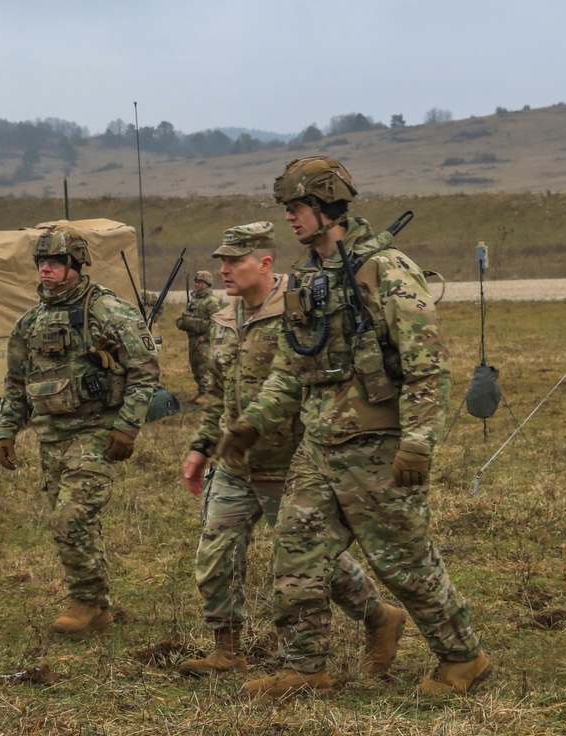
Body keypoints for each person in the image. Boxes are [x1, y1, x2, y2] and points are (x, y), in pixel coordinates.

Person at [218, 156, 490, 699]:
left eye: (296, 208)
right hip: (319, 446)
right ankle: (305, 667)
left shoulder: (385, 269)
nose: (289, 218)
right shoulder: (310, 277)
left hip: (378, 448)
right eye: (288, 209)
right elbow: (292, 367)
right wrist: (253, 423)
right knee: (294, 552)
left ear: (325, 207)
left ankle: (463, 659)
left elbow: (427, 363)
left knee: (405, 563)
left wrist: (416, 443)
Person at [179, 222, 405, 678]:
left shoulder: (300, 310)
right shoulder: (226, 318)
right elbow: (219, 392)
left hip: (293, 461)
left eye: (234, 261)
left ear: (264, 263)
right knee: (215, 553)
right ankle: (227, 650)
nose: (223, 270)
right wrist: (202, 446)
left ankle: (380, 618)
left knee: (317, 562)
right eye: (220, 261)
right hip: (237, 462)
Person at [0, 226, 160, 635]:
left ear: (75, 265)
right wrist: (6, 432)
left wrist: (128, 426)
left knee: (70, 517)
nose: (45, 269)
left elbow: (145, 369)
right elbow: (16, 383)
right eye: (40, 263)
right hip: (50, 437)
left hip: (93, 433)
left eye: (54, 263)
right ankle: (99, 607)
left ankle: (84, 601)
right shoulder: (30, 322)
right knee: (76, 521)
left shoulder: (106, 310)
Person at [175, 270, 223, 403]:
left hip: (203, 340)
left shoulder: (211, 301)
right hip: (193, 338)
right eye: (196, 282)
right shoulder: (194, 300)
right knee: (195, 365)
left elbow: (216, 321)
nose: (197, 284)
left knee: (204, 366)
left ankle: (207, 393)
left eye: (200, 282)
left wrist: (206, 336)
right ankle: (201, 391)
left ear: (207, 283)